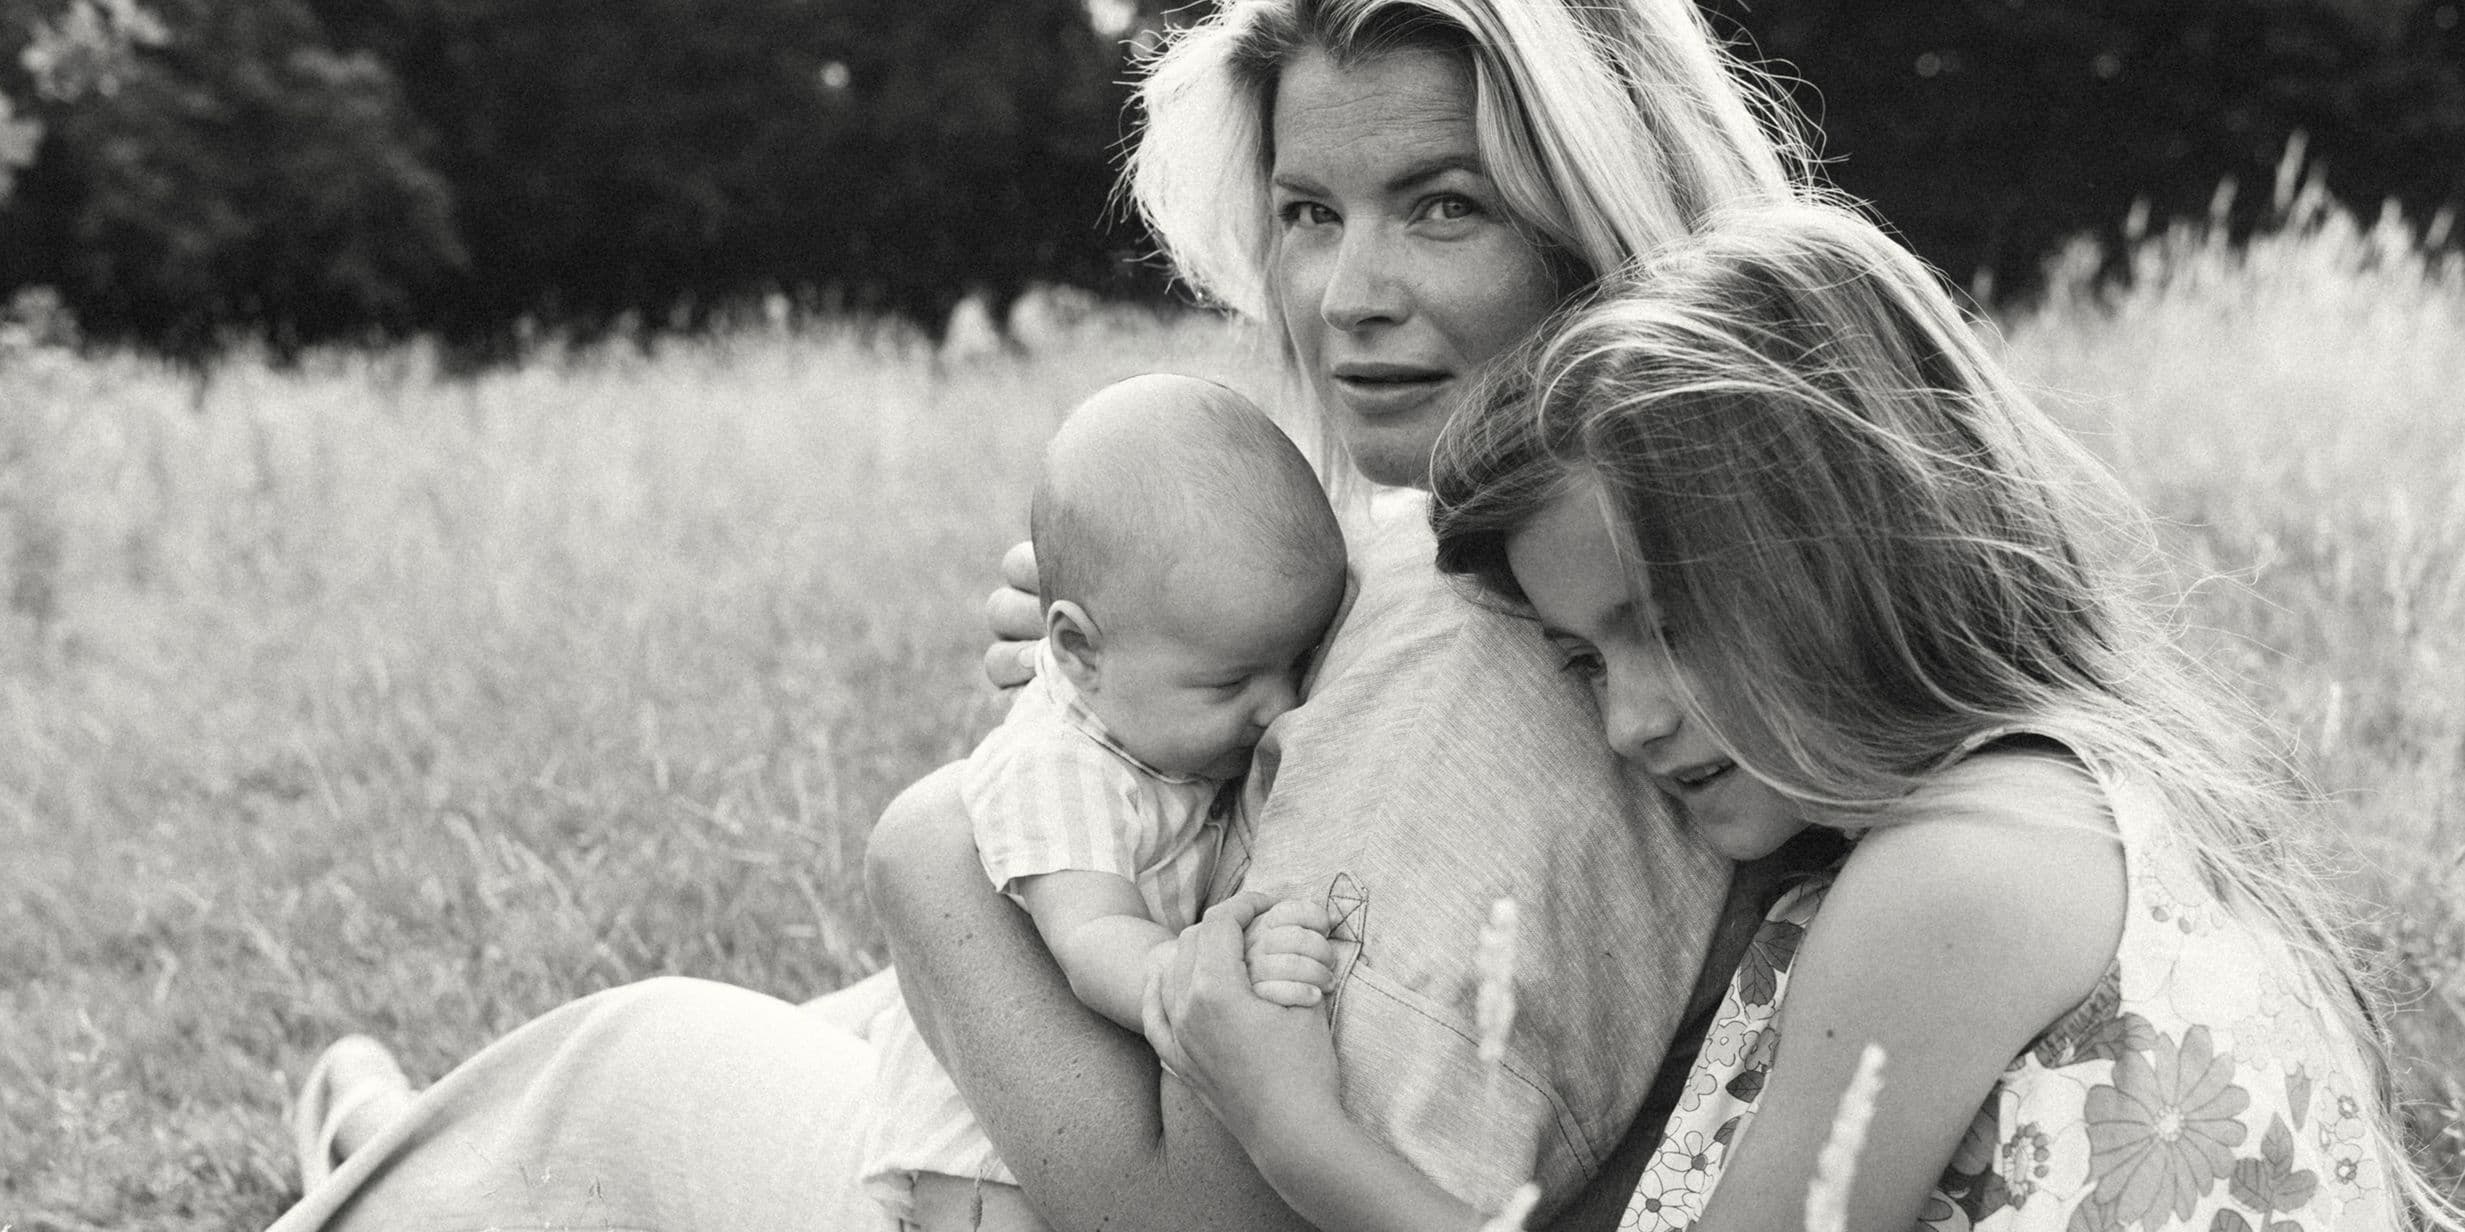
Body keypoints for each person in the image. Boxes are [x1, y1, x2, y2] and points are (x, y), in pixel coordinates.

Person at [267, 0, 1812, 1226]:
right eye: (1305, 213)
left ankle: (418, 1170)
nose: (1345, 293)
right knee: (828, 1030)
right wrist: (1129, 708)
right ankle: (413, 1157)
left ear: (1602, 209)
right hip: (1044, 1096)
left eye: (1444, 207)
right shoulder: (1678, 535)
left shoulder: (1482, 624)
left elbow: (1192, 1204)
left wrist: (949, 831)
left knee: (632, 1061)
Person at [1137, 201, 2465, 1232]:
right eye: (1585, 664)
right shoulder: (2063, 811)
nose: (1629, 723)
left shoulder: (1963, 875)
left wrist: (1294, 1127)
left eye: (1664, 621)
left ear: (1858, 540)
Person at [858, 373, 1347, 1229]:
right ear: (1079, 650)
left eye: (1295, 663)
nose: (1279, 708)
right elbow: (1088, 938)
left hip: (1088, 1070)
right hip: (980, 1137)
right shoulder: (1059, 770)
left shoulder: (1160, 704)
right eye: (1232, 680)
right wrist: (1195, 972)